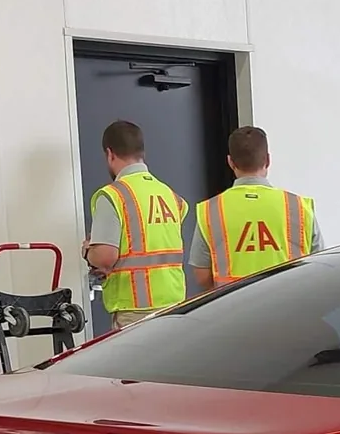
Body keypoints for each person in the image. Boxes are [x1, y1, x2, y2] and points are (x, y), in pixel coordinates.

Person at [186, 126, 324, 295]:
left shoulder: (211, 210)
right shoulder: (299, 207)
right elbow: (318, 266)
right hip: (290, 305)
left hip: (233, 306)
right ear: (268, 160)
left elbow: (202, 277)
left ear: (230, 162)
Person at [84, 121, 189, 329]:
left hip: (135, 310)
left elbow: (105, 257)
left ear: (110, 154)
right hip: (174, 304)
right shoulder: (169, 195)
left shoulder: (114, 195)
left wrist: (88, 251)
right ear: (142, 153)